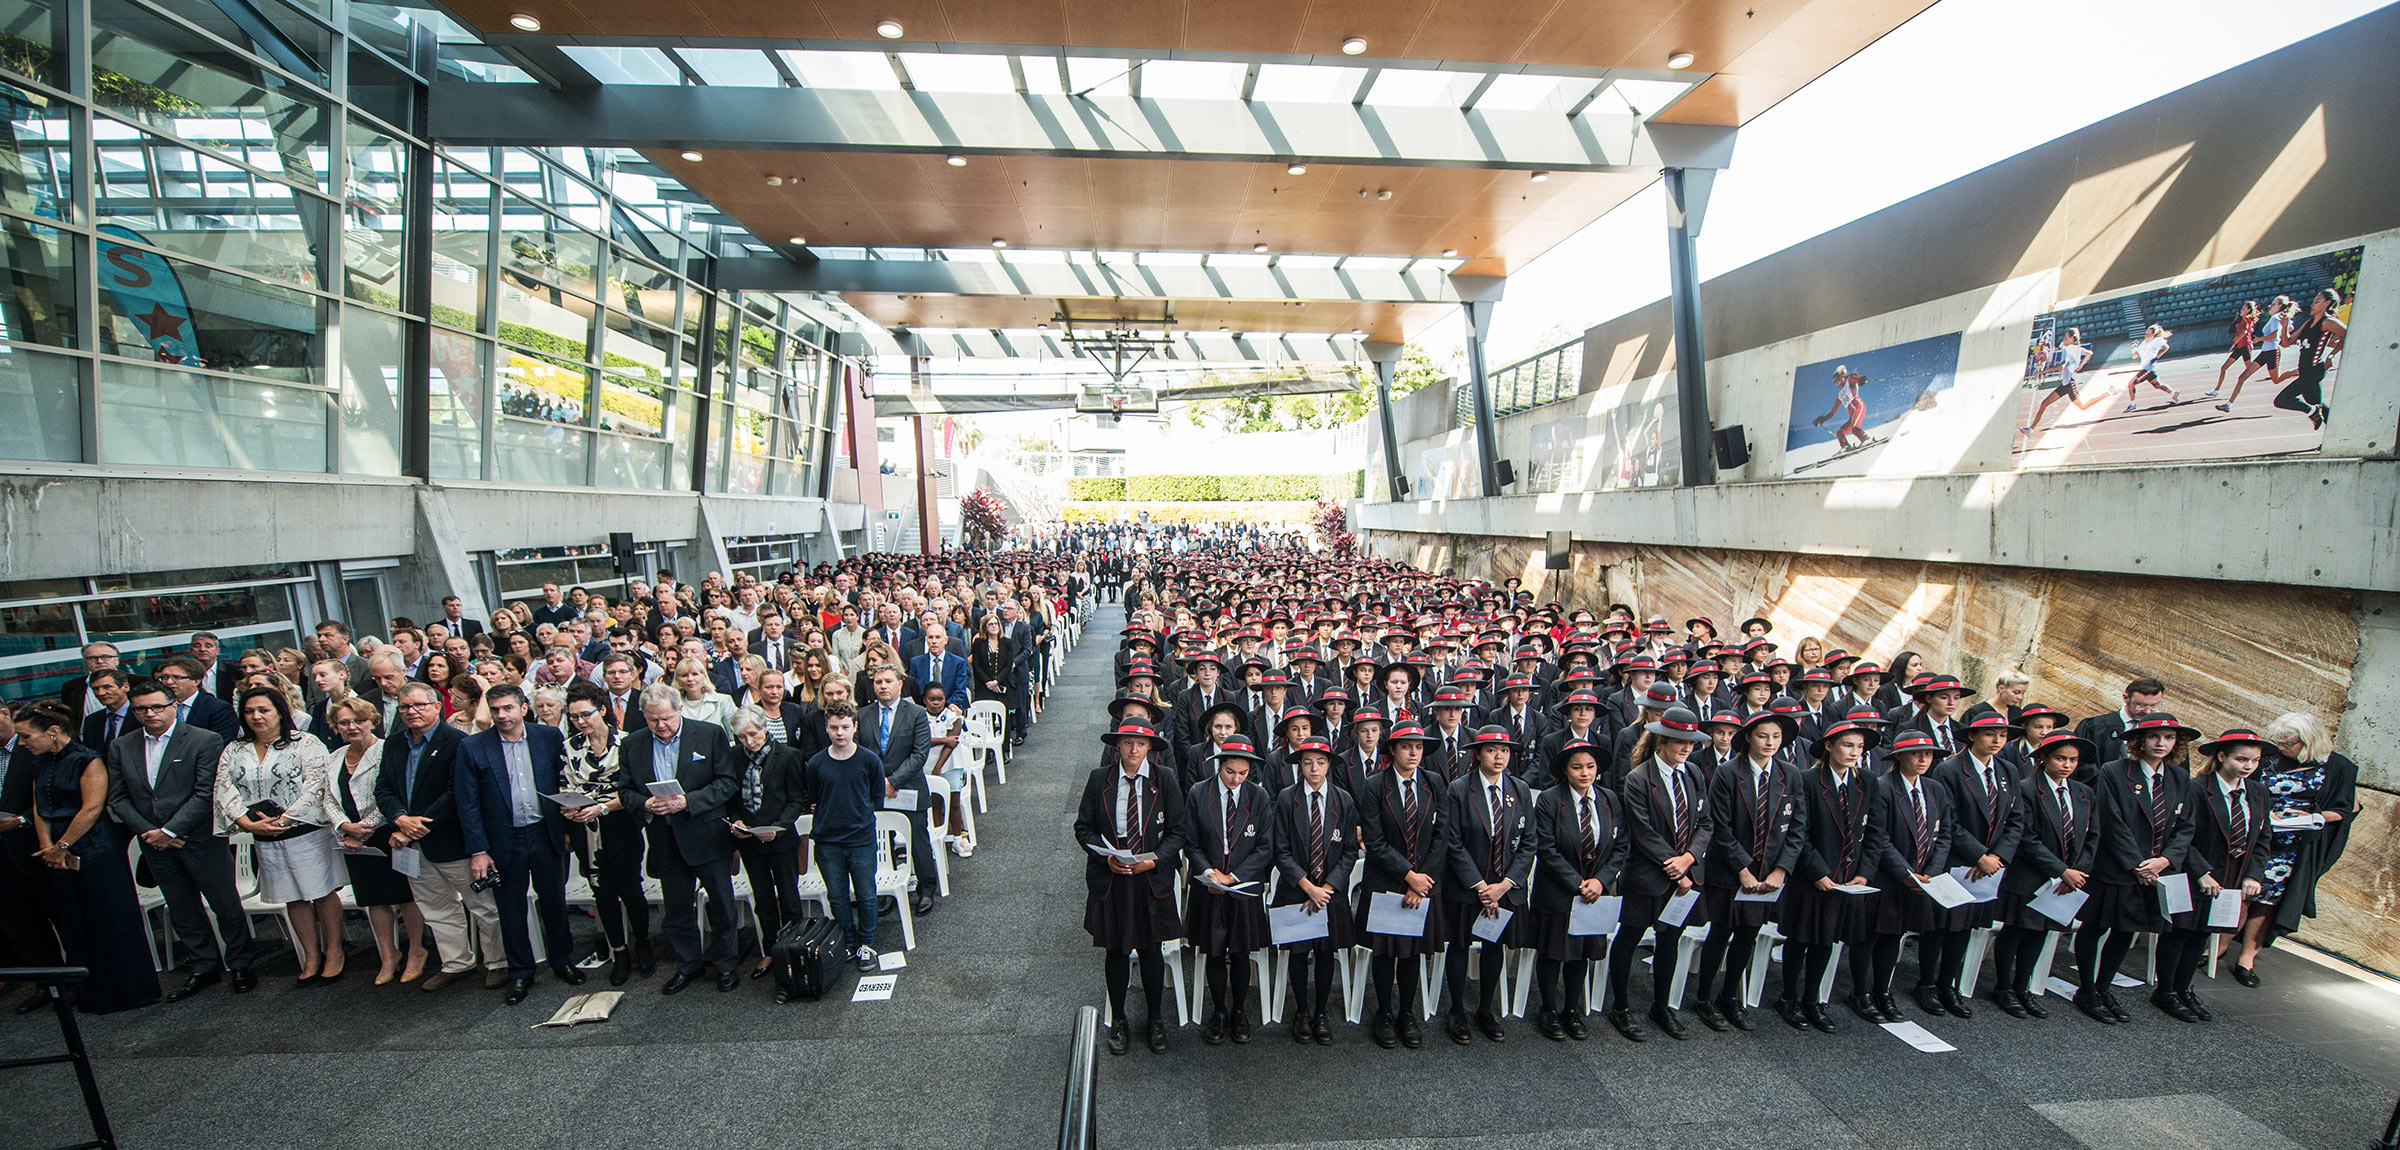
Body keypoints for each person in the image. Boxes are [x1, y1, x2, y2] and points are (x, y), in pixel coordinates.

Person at [100, 678, 256, 1000]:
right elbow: (117, 797)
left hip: (198, 837)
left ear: (174, 706)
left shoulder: (204, 740)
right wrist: (151, 834)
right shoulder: (121, 746)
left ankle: (241, 964)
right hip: (153, 842)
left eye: (158, 706)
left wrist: (170, 830)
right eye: (142, 709)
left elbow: (205, 792)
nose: (150, 714)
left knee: (225, 905)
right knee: (182, 909)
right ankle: (205, 967)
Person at [20, 703, 159, 1013]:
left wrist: (64, 844)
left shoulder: (87, 759)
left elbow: (92, 808)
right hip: (57, 851)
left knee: (107, 918)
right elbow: (39, 806)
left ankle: (127, 991)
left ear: (52, 732)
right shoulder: (39, 763)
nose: (22, 743)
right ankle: (90, 991)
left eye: (27, 736)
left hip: (94, 849)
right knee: (74, 922)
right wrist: (48, 847)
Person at [376, 682, 506, 993]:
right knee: (436, 908)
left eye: (419, 705)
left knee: (483, 907)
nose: (412, 711)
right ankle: (456, 963)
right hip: (412, 843)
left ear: (438, 706)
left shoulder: (458, 742)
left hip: (454, 840)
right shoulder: (393, 743)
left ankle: (498, 963)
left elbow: (456, 793)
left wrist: (416, 826)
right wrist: (399, 819)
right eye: (405, 707)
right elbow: (383, 788)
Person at [456, 684, 582, 1004]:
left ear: (523, 708)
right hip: (503, 839)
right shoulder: (473, 747)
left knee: (554, 901)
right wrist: (479, 851)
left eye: (508, 708)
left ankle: (562, 961)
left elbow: (564, 783)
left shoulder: (548, 738)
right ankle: (521, 972)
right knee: (511, 909)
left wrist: (567, 830)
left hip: (545, 832)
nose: (502, 715)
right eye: (495, 709)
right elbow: (467, 803)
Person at [215, 686, 348, 987]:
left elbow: (317, 785)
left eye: (263, 710)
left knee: (321, 891)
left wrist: (285, 818)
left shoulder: (305, 742)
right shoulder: (235, 749)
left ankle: (335, 952)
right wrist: (248, 824)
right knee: (292, 896)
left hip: (305, 831)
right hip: (263, 834)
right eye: (249, 711)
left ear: (280, 711)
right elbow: (224, 789)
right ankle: (311, 955)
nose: (256, 716)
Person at [2073, 713, 2197, 1025]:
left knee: (2126, 931)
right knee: (2095, 926)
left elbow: (2185, 827)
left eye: (2168, 738)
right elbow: (2111, 822)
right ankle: (2086, 989)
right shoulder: (2114, 771)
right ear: (2139, 741)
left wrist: (2164, 860)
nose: (2161, 743)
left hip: (2155, 870)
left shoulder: (2180, 778)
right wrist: (2136, 864)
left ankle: (2103, 988)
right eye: (2154, 737)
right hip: (2116, 867)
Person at [617, 684, 741, 994]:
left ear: (680, 709)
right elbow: (625, 790)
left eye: (666, 718)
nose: (660, 725)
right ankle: (688, 964)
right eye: (652, 719)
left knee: (723, 905)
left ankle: (726, 963)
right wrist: (644, 803)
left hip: (705, 832)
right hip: (664, 836)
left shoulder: (709, 734)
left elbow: (727, 783)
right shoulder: (633, 744)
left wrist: (688, 801)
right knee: (676, 908)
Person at [1075, 719, 1187, 1057]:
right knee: (1116, 951)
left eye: (1140, 743)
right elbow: (1084, 828)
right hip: (1114, 878)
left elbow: (1178, 832)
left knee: (1152, 950)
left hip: (1150, 878)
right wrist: (1106, 858)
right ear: (1117, 746)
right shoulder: (1100, 779)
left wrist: (1154, 861)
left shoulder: (1164, 779)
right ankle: (1120, 1019)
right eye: (1127, 743)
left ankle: (1155, 1019)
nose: (1133, 749)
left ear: (1150, 747)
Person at [1606, 707, 1715, 1041]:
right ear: (1663, 740)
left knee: (1671, 938)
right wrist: (1674, 863)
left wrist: (1688, 859)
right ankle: (1621, 1007)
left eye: (1691, 743)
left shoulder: (1693, 773)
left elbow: (1705, 821)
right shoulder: (1640, 778)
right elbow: (1642, 831)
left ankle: (1661, 1005)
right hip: (1648, 874)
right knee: (1630, 937)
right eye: (1680, 741)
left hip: (1683, 872)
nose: (1686, 748)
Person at [1690, 710, 1801, 1032]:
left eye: (1776, 737)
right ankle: (1704, 998)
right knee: (1721, 932)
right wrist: (1742, 869)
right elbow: (1721, 827)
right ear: (1749, 738)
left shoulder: (1789, 774)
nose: (1770, 743)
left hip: (1768, 873)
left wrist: (1780, 870)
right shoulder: (1728, 773)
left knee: (1748, 935)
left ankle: (1729, 997)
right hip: (1730, 871)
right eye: (1763, 736)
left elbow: (1797, 826)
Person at [2156, 728, 2273, 1023]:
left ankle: (2183, 988)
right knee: (2180, 932)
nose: (2247, 766)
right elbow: (2183, 835)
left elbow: (2262, 838)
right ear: (2221, 757)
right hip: (2196, 873)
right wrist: (2201, 872)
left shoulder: (2258, 793)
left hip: (2231, 879)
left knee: (2203, 933)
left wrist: (2253, 875)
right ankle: (2165, 990)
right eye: (2241, 759)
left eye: (2254, 761)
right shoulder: (2197, 788)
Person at [2234, 711, 2359, 983]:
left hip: (2294, 844)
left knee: (2269, 899)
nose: (2281, 747)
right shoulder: (2269, 758)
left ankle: (2247, 959)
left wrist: (2312, 818)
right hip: (2255, 835)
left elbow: (2345, 809)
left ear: (2308, 742)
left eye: (2288, 743)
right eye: (2278, 741)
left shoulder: (2338, 767)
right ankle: (2216, 948)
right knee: (2239, 891)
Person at [1778, 720, 1880, 1033]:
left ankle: (1813, 999)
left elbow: (1874, 830)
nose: (1854, 752)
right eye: (1848, 745)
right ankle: (1789, 996)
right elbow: (1800, 831)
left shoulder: (1867, 781)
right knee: (1801, 937)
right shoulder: (1808, 780)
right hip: (1813, 875)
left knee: (1827, 940)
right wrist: (1819, 872)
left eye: (1860, 747)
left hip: (1848, 877)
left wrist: (1864, 873)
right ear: (1829, 746)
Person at [1988, 732, 2098, 1018]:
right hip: (2031, 874)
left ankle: (2022, 987)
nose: (2067, 765)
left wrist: (2077, 871)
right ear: (2044, 758)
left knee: (2039, 933)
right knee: (2016, 931)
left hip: (2067, 878)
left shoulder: (2083, 792)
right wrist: (2061, 870)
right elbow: (2026, 837)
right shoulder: (2027, 789)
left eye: (2072, 760)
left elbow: (2092, 836)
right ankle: (2003, 987)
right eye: (2060, 758)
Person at [1438, 726, 1534, 1045]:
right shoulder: (1459, 789)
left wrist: (1504, 885)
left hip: (1504, 887)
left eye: (1504, 751)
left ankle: (1485, 1009)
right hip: (1468, 885)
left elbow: (1528, 843)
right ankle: (1456, 1010)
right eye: (1491, 750)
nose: (1499, 756)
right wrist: (1480, 885)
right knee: (1461, 944)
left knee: (1495, 945)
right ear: (1477, 754)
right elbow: (1452, 843)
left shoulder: (1520, 790)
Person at [1355, 721, 1447, 1049]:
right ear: (1392, 749)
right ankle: (1383, 1011)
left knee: (1411, 953)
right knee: (1385, 953)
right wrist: (1409, 875)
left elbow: (1442, 837)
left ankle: (1406, 1013)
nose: (1413, 753)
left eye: (1418, 747)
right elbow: (1375, 842)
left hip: (1424, 884)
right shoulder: (1374, 785)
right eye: (1406, 746)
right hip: (1386, 881)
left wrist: (1420, 882)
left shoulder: (1434, 783)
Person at [1529, 739, 1627, 1041]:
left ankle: (1570, 1010)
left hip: (1595, 890)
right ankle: (1548, 1008)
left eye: (1590, 767)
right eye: (1577, 767)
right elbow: (1545, 848)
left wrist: (1600, 880)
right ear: (1565, 771)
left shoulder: (1609, 799)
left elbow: (1620, 845)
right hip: (1558, 890)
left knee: (1581, 953)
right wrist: (1577, 883)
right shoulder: (1549, 799)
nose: (1585, 773)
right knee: (1553, 953)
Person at [327, 697, 426, 985]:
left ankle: (417, 951)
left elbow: (387, 793)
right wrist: (344, 826)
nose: (352, 727)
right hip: (351, 839)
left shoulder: (386, 750)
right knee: (373, 899)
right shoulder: (334, 757)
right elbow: (328, 798)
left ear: (372, 721)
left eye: (358, 721)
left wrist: (364, 828)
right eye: (344, 722)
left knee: (405, 896)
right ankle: (388, 955)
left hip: (388, 834)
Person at [1929, 711, 2020, 1014]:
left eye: (2002, 735)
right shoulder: (1950, 770)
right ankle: (1928, 983)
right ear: (1971, 736)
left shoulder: (2007, 770)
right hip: (1959, 859)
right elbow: (1947, 820)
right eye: (1989, 734)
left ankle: (1947, 984)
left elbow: (2015, 820)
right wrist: (1979, 855)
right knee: (1942, 925)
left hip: (1990, 865)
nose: (1996, 740)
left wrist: (1997, 856)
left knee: (1966, 926)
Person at [1857, 729, 1950, 1023]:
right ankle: (1861, 992)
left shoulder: (1934, 789)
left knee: (1895, 936)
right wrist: (1905, 873)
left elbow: (1944, 833)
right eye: (1916, 753)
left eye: (1928, 754)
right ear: (1898, 757)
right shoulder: (1883, 787)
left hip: (1921, 878)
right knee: (1870, 935)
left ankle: (1883, 991)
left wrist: (1930, 872)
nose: (1923, 759)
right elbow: (1879, 837)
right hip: (1887, 876)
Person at [1185, 736, 1273, 1046]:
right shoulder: (1198, 793)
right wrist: (1211, 874)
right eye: (1230, 772)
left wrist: (1233, 876)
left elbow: (1265, 847)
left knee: (1239, 952)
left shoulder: (1259, 797)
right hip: (1209, 887)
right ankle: (1219, 1011)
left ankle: (1238, 1010)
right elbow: (1191, 843)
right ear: (1219, 766)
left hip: (1242, 887)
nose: (1236, 779)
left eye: (1242, 773)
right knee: (1213, 950)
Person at [1271, 738, 1358, 1045]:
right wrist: (1307, 886)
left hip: (1329, 893)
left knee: (1325, 953)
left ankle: (1320, 1012)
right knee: (1298, 952)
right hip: (1297, 890)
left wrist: (1328, 887)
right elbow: (1280, 850)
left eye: (1320, 762)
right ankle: (1302, 1011)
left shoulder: (1343, 800)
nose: (1314, 768)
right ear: (1299, 765)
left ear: (1329, 764)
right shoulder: (1286, 798)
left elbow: (1349, 851)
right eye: (1307, 762)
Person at [560, 692, 650, 984]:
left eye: (585, 714)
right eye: (574, 717)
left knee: (631, 887)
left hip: (620, 822)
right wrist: (570, 808)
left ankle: (643, 943)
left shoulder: (627, 741)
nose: (580, 722)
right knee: (602, 891)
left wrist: (601, 806)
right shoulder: (569, 747)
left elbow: (635, 788)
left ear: (601, 710)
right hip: (585, 828)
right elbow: (566, 784)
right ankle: (619, 952)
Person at [726, 706, 809, 980]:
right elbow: (732, 798)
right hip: (750, 840)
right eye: (742, 737)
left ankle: (795, 949)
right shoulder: (734, 756)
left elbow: (797, 799)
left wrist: (779, 828)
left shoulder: (788, 755)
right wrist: (736, 820)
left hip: (780, 838)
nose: (749, 742)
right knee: (762, 899)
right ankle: (771, 949)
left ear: (765, 728)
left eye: (753, 734)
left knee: (789, 895)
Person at [2273, 287, 2344, 428]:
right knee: (2319, 406)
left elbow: (2347, 332)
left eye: (2317, 302)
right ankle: (2339, 434)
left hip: (2314, 370)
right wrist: (2285, 326)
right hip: (2304, 370)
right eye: (2313, 302)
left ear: (2327, 303)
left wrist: (2332, 354)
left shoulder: (2327, 322)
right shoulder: (2308, 323)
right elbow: (2286, 343)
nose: (2312, 305)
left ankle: (2313, 412)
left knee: (2282, 399)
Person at [154, 657, 241, 742]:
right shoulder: (153, 707)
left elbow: (220, 743)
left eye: (176, 677)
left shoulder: (219, 709)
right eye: (165, 677)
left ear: (196, 681)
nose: (169, 682)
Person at [672, 658, 737, 729]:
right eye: (684, 675)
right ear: (678, 680)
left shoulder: (722, 701)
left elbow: (733, 735)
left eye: (695, 674)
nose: (690, 679)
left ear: (704, 676)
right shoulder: (674, 705)